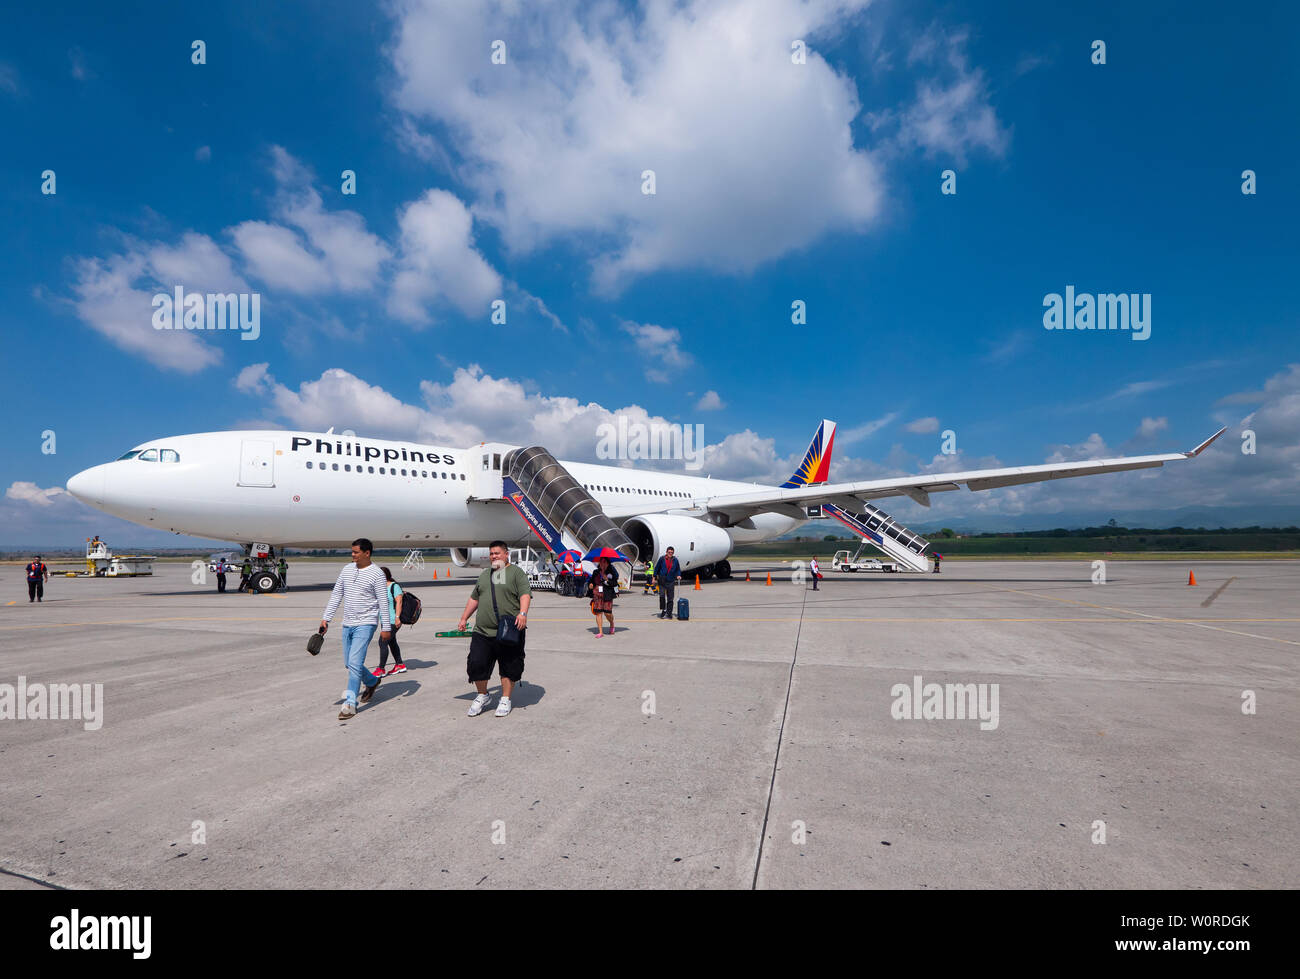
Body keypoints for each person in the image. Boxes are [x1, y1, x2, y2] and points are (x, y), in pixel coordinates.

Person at [320, 538, 392, 720]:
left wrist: (386, 627)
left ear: (367, 553)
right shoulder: (346, 569)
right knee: (350, 663)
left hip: (366, 624)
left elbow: (384, 602)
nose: (352, 555)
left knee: (354, 663)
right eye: (352, 552)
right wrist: (326, 618)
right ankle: (372, 681)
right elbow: (337, 594)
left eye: (356, 552)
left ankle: (350, 704)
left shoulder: (377, 574)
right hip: (347, 623)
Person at [457, 540, 531, 718]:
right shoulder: (484, 575)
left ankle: (505, 699)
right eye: (491, 554)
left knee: (509, 666)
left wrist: (522, 613)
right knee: (476, 663)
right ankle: (483, 695)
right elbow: (474, 598)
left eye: (497, 553)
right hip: (482, 631)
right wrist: (464, 617)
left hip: (509, 630)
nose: (494, 556)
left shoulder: (516, 573)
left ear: (506, 554)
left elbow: (525, 594)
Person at [374, 566, 407, 676]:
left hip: (393, 620)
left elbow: (399, 602)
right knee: (392, 642)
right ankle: (400, 665)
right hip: (385, 620)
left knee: (382, 642)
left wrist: (397, 617)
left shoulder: (394, 586)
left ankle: (381, 669)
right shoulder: (380, 587)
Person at [589, 556, 618, 637]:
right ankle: (600, 632)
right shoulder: (596, 572)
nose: (602, 563)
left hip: (607, 594)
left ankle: (611, 623)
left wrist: (607, 580)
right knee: (598, 613)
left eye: (605, 562)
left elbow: (614, 584)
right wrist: (590, 585)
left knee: (607, 613)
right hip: (597, 595)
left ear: (608, 563)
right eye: (601, 562)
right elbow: (591, 582)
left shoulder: (611, 572)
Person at [653, 546, 681, 619]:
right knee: (662, 596)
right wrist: (654, 578)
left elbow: (678, 569)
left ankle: (669, 613)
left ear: (673, 553)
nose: (670, 553)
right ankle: (663, 610)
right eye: (669, 552)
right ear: (666, 552)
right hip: (662, 580)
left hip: (671, 580)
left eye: (671, 552)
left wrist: (678, 575)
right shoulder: (662, 559)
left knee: (670, 597)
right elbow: (656, 568)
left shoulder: (675, 560)